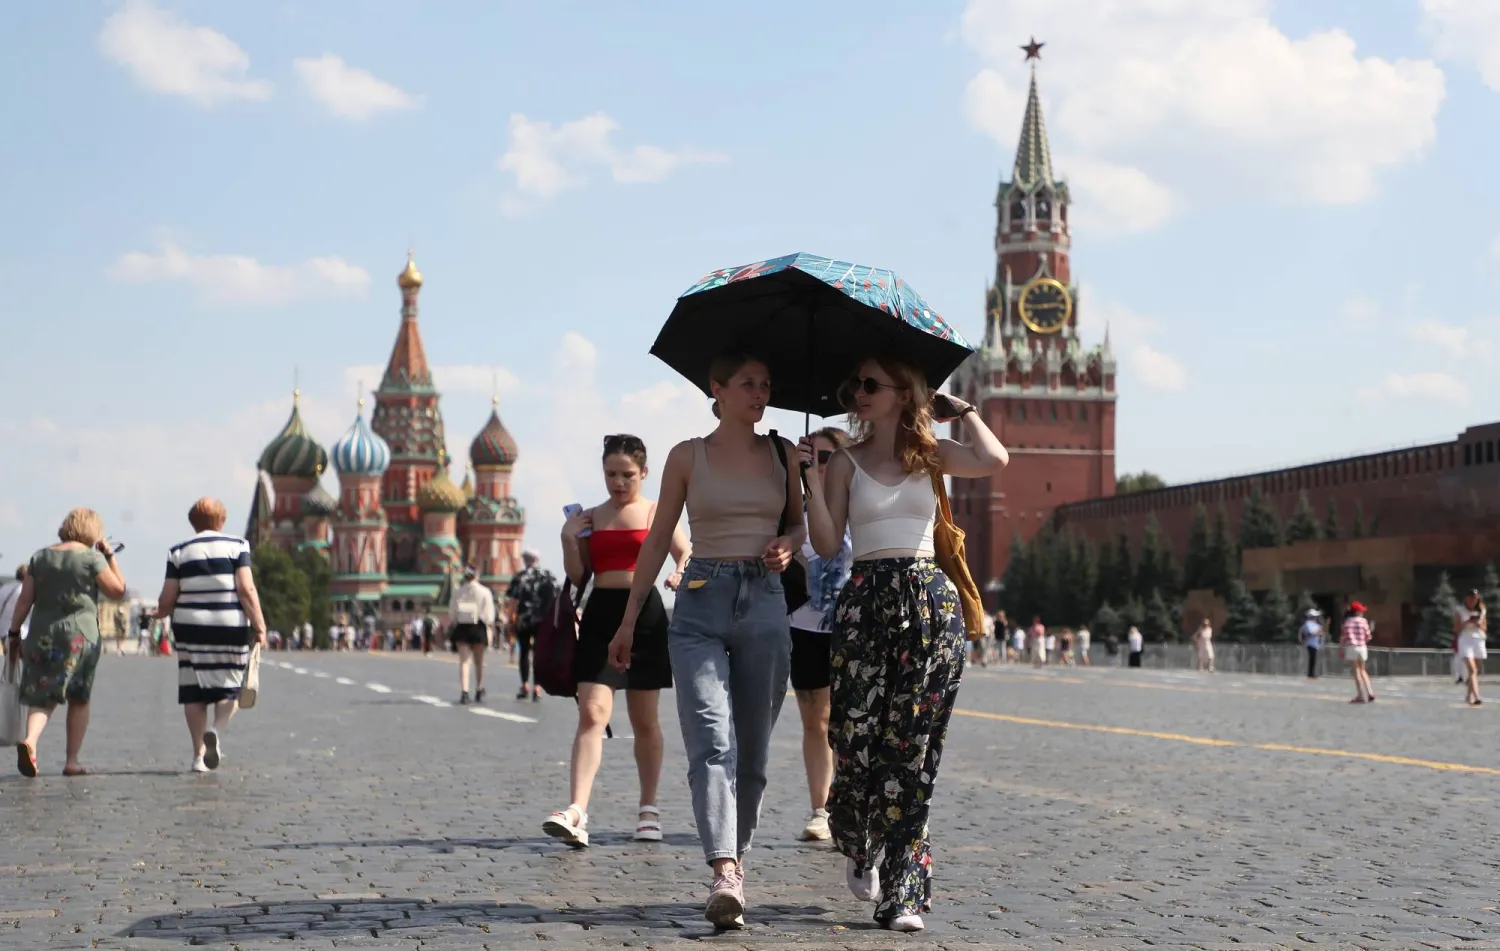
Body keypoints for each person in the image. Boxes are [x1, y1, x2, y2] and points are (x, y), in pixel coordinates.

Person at [801, 355, 1008, 933]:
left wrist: (961, 410)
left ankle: (903, 892)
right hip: (866, 601)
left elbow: (995, 459)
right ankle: (857, 836)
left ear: (901, 392)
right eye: (853, 384)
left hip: (928, 606)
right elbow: (823, 539)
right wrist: (810, 482)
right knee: (856, 738)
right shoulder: (844, 464)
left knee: (912, 753)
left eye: (869, 385)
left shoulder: (931, 454)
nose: (857, 393)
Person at [607, 351, 802, 929]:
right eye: (748, 384)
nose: (760, 393)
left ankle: (735, 859)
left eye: (766, 384)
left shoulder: (784, 453)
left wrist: (788, 546)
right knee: (712, 739)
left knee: (754, 753)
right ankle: (724, 869)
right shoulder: (687, 455)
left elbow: (800, 526)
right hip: (699, 600)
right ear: (717, 388)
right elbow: (657, 535)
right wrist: (628, 618)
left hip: (764, 602)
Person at [544, 434, 690, 849]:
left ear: (644, 473)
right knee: (592, 712)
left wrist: (680, 570)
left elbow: (685, 551)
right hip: (601, 614)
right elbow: (578, 576)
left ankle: (649, 808)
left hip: (645, 614)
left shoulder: (656, 511)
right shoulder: (590, 517)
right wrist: (569, 539)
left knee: (644, 719)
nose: (618, 482)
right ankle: (576, 810)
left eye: (627, 474)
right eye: (611, 474)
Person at [8, 508, 127, 777]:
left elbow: (25, 600)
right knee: (79, 698)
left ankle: (31, 742)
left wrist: (14, 634)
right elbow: (118, 591)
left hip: (42, 635)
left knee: (42, 695)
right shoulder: (92, 558)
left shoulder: (40, 557)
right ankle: (71, 761)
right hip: (80, 637)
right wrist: (109, 556)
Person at [156, 498, 268, 773]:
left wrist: (158, 613)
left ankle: (198, 756)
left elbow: (168, 598)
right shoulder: (237, 546)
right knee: (231, 686)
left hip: (189, 626)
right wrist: (260, 625)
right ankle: (216, 731)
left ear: (193, 523)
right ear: (223, 520)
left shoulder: (178, 552)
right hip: (228, 624)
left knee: (193, 690)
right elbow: (245, 588)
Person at [786, 426, 852, 843]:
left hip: (850, 629)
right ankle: (820, 809)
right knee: (816, 720)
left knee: (847, 724)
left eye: (826, 457)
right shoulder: (793, 512)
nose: (819, 465)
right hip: (802, 629)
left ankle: (847, 803)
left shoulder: (857, 510)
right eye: (812, 457)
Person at [506, 550, 556, 701]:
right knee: (539, 654)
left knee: (524, 653)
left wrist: (510, 620)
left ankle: (525, 685)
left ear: (525, 560)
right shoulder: (547, 576)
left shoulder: (519, 577)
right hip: (543, 621)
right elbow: (554, 598)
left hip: (524, 620)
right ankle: (537, 688)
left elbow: (513, 601)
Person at [449, 566, 496, 704]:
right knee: (479, 662)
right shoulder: (485, 591)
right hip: (479, 627)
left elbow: (452, 612)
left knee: (464, 662)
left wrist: (456, 620)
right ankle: (479, 689)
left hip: (462, 627)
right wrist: (489, 626)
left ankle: (464, 692)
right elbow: (489, 615)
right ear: (477, 575)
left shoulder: (458, 591)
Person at [1454, 589, 1487, 706]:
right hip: (1465, 640)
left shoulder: (1482, 610)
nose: (1473, 601)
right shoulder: (1460, 611)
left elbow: (1484, 627)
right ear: (1466, 599)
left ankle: (1469, 695)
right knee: (1472, 670)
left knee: (1474, 672)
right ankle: (1477, 696)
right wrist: (1467, 622)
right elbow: (1456, 629)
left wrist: (1479, 625)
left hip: (1478, 639)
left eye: (1475, 598)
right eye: (1471, 598)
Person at [1341, 601, 1376, 704]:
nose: (1362, 612)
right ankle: (1370, 692)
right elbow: (1368, 636)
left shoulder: (1347, 622)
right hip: (1362, 647)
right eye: (1361, 611)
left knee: (1356, 671)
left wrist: (1342, 649)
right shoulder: (1364, 621)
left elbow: (1344, 636)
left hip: (1351, 647)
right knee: (1363, 670)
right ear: (1356, 612)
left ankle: (1360, 695)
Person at [1300, 609, 1324, 678]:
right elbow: (1310, 633)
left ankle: (1312, 672)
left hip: (1316, 644)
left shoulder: (1316, 624)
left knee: (1314, 659)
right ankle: (1311, 673)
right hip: (1310, 644)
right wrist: (1318, 631)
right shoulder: (1307, 624)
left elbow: (1320, 633)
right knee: (1312, 659)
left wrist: (1320, 632)